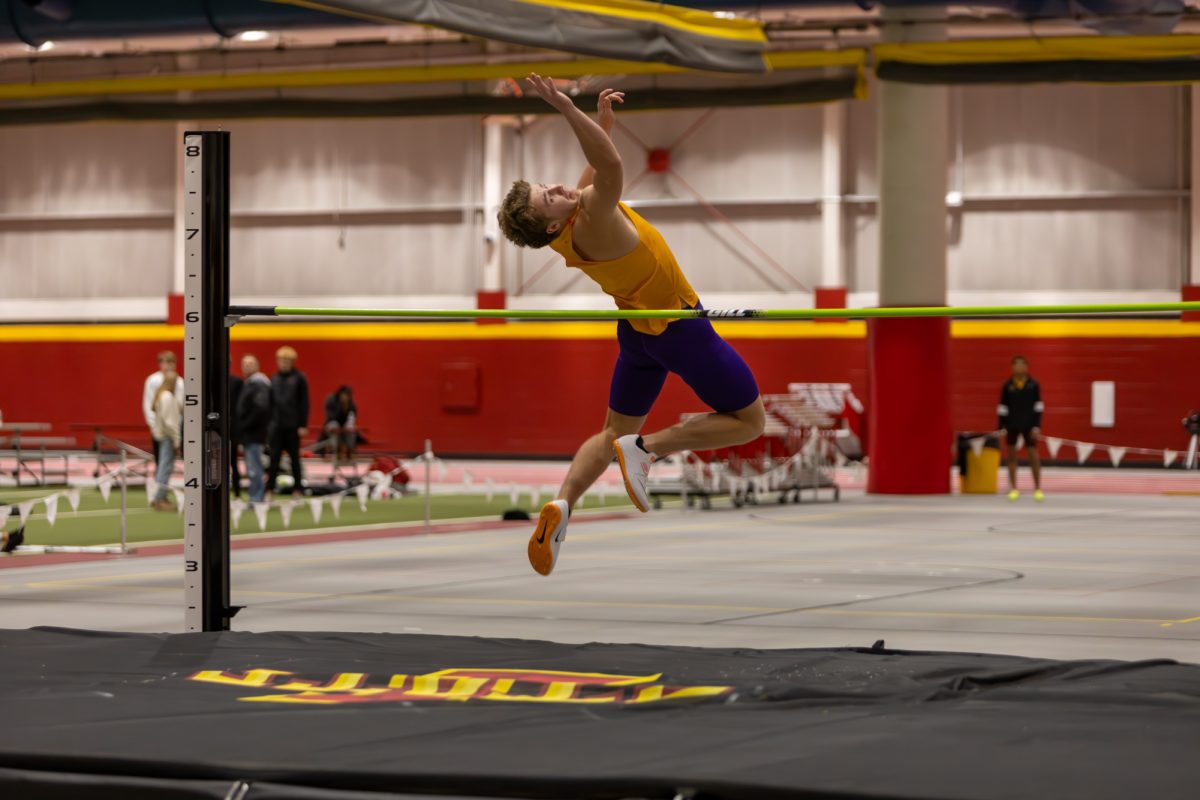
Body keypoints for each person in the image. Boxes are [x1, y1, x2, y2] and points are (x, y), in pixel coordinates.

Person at [499, 76, 765, 576]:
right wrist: (563, 106)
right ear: (553, 225)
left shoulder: (564, 230)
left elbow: (587, 178)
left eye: (545, 185)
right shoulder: (595, 215)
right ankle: (648, 450)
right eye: (547, 197)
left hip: (637, 335)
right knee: (751, 423)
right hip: (680, 330)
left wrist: (601, 124)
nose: (557, 189)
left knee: (609, 434)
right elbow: (610, 167)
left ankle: (562, 506)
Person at [998, 355, 1044, 502]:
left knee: (1033, 455)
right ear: (1012, 368)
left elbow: (1038, 407)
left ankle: (1037, 488)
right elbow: (1002, 408)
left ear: (1026, 367)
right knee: (1011, 456)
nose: (1018, 368)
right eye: (1015, 365)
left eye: (1021, 365)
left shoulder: (1033, 385)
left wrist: (1037, 426)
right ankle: (1013, 488)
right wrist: (1001, 426)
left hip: (1029, 425)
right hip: (1012, 425)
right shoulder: (1007, 386)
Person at [266, 345, 309, 496]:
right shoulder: (275, 378)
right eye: (281, 360)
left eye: (287, 360)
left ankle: (298, 489)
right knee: (274, 459)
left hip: (293, 426)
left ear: (292, 362)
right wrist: (269, 425)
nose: (283, 363)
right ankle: (269, 489)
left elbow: (304, 403)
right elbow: (270, 403)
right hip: (276, 426)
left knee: (294, 459)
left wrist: (303, 424)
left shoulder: (299, 378)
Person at [237, 354, 272, 504]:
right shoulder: (249, 384)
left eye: (250, 364)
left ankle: (257, 498)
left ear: (257, 366)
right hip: (250, 432)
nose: (246, 367)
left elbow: (261, 408)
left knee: (254, 467)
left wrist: (246, 425)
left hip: (255, 433)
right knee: (252, 466)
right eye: (244, 364)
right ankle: (255, 496)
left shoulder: (259, 384)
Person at [142, 351, 183, 466]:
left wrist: (178, 426)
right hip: (159, 426)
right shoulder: (153, 380)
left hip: (174, 426)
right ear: (160, 364)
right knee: (160, 458)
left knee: (169, 458)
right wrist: (153, 425)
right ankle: (161, 481)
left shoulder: (179, 382)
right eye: (165, 362)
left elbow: (181, 406)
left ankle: (162, 480)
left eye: (170, 362)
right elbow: (148, 404)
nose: (168, 365)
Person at [150, 370, 183, 511]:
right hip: (168, 437)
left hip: (162, 436)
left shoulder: (160, 395)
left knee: (163, 466)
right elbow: (170, 422)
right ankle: (160, 498)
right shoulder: (168, 397)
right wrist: (177, 440)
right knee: (165, 468)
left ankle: (158, 496)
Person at [323, 385, 360, 461]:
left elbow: (352, 416)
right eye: (343, 395)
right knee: (334, 426)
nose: (345, 397)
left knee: (351, 429)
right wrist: (342, 408)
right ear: (340, 394)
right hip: (332, 423)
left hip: (345, 426)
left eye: (347, 395)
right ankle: (337, 450)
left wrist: (349, 424)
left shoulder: (351, 403)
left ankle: (349, 449)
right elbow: (331, 417)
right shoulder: (331, 400)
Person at [229, 369, 244, 499]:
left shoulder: (237, 382)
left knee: (234, 462)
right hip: (215, 429)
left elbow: (241, 407)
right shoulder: (211, 381)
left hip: (233, 429)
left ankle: (237, 493)